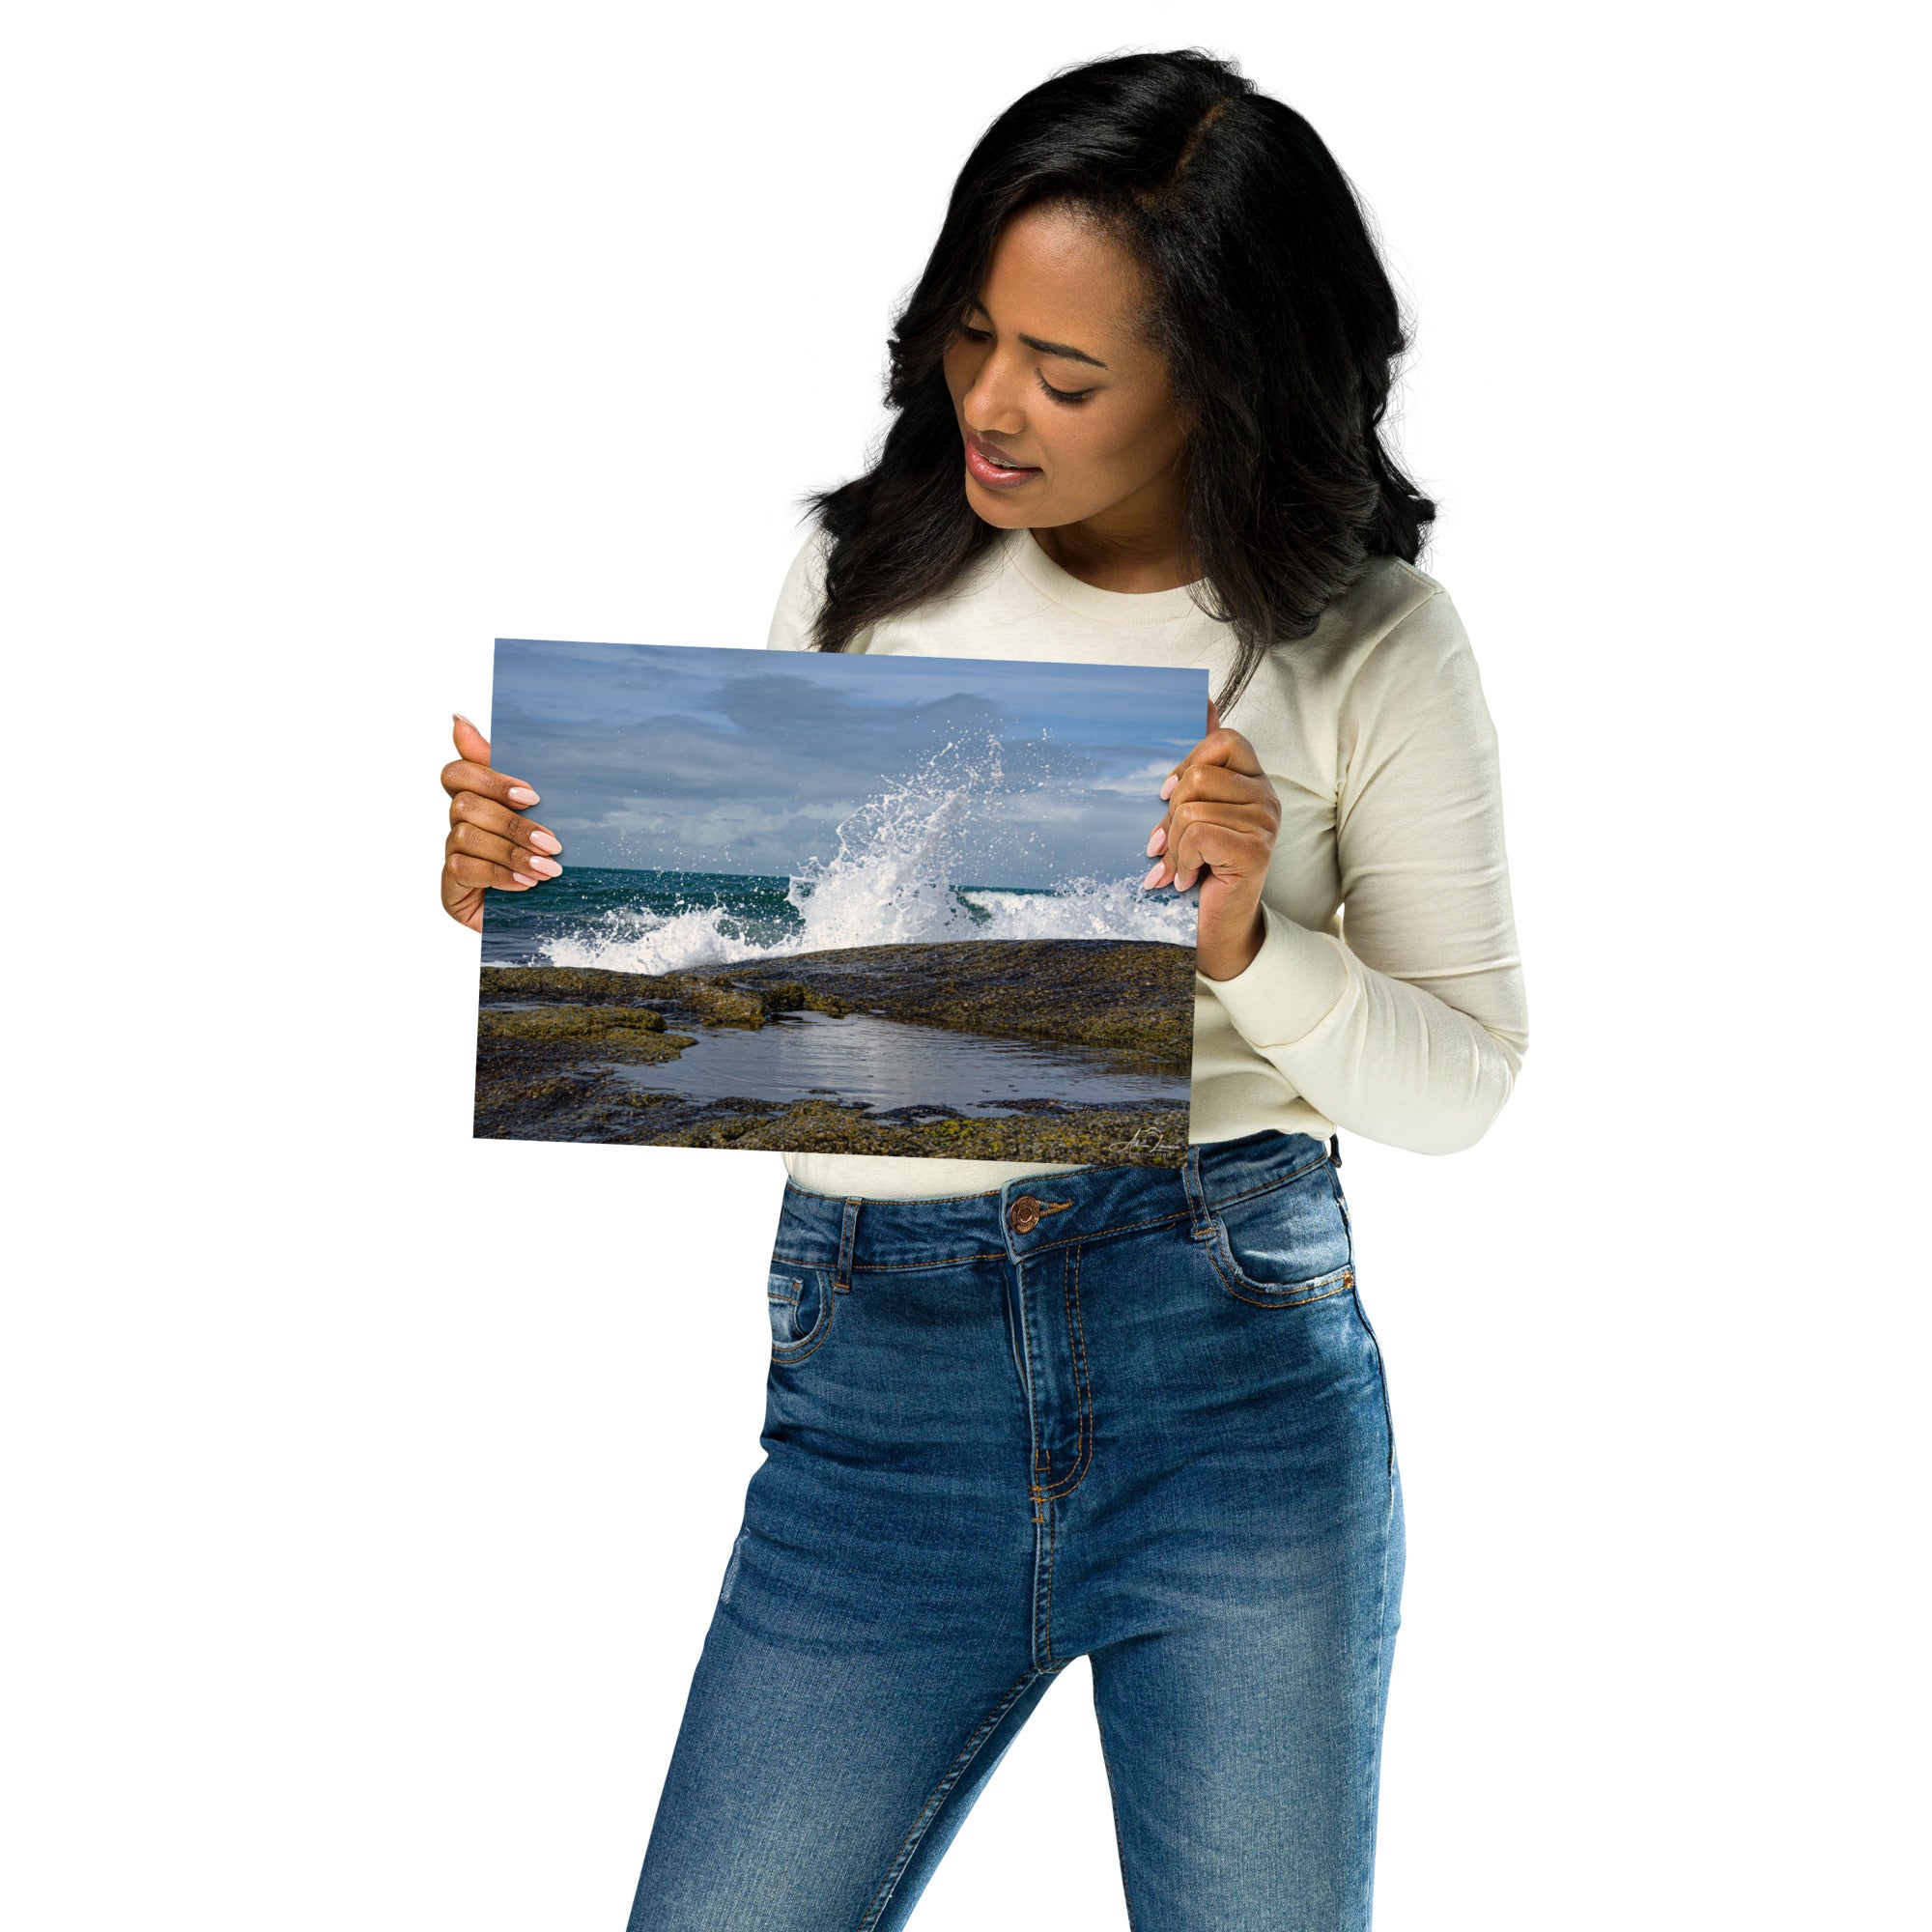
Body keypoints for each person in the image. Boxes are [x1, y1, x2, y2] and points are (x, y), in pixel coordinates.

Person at [440, 48, 1528, 1932]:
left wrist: (1249, 943)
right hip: (874, 1393)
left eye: (1067, 371)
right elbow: (768, 1002)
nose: (990, 403)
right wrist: (535, 899)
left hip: (1229, 1376)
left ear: (1221, 384)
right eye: (969, 335)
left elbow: (1463, 1088)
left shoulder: (1368, 641)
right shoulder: (864, 573)